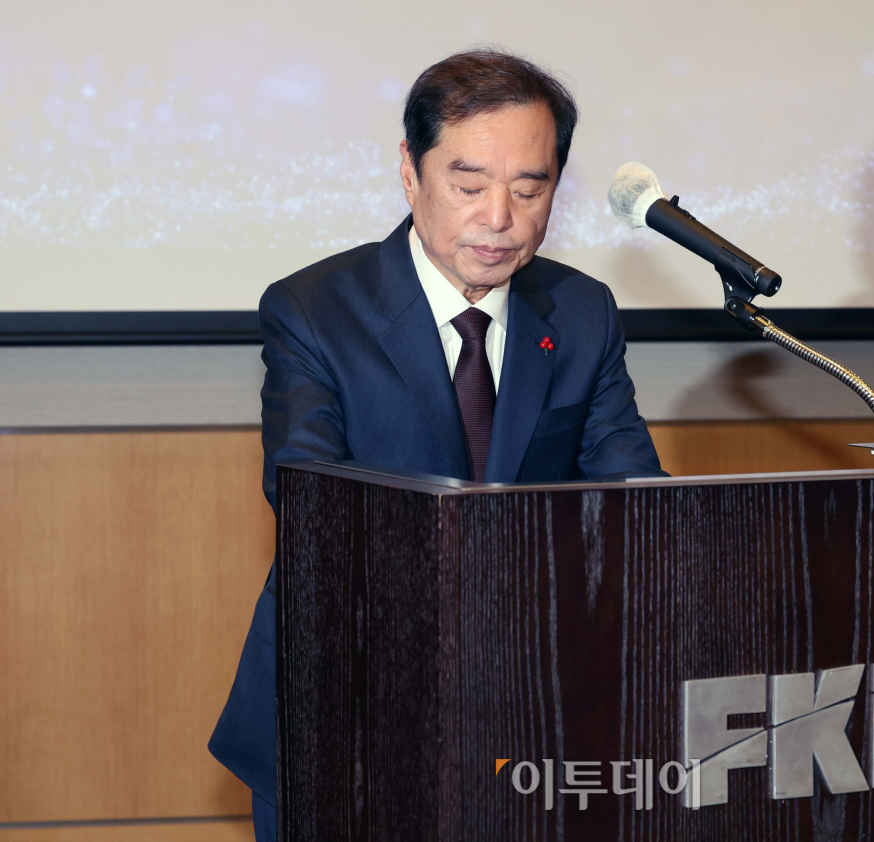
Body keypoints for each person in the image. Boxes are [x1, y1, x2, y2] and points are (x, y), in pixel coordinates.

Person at [207, 48, 666, 841]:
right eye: (469, 185)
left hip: (533, 709)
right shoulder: (315, 310)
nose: (500, 217)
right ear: (410, 172)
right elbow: (311, 498)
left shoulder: (582, 312)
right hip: (348, 702)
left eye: (530, 188)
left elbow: (633, 498)